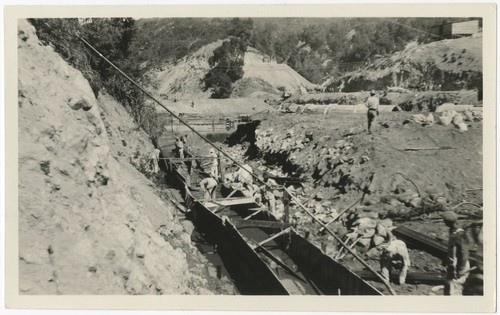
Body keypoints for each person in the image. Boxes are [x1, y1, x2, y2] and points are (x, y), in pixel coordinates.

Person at [442, 210, 471, 295]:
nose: (444, 222)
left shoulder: (460, 234)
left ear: (448, 222)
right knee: (449, 290)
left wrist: (460, 269)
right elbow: (453, 249)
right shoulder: (452, 231)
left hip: (459, 266)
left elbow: (464, 253)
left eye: (445, 221)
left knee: (455, 293)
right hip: (453, 267)